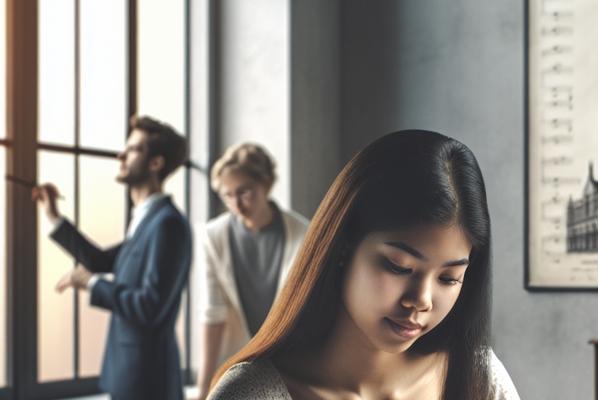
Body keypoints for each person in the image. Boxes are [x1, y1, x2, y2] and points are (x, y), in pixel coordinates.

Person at [208, 130, 520, 399]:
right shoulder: (250, 393)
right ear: (343, 246)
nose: (421, 300)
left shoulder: (481, 378)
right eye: (398, 266)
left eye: (449, 278)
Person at [32, 116, 192, 400]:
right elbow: (100, 260)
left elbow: (150, 306)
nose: (121, 154)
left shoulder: (167, 224)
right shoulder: (148, 220)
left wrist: (93, 284)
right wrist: (53, 216)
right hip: (130, 374)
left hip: (147, 380)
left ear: (156, 163)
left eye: (133, 149)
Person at [194, 143, 309, 400]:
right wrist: (203, 390)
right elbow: (213, 315)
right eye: (227, 195)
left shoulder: (304, 234)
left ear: (266, 184)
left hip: (292, 361)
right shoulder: (212, 237)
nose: (236, 203)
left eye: (244, 192)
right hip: (238, 362)